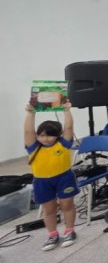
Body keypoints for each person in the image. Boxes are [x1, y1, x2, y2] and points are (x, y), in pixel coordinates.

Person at [24, 102, 78, 251]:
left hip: (64, 178)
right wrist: (30, 113)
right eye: (41, 135)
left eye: (50, 135)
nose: (45, 139)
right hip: (42, 181)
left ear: (58, 135)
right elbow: (28, 131)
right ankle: (52, 235)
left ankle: (69, 231)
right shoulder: (33, 146)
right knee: (49, 210)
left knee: (67, 205)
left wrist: (67, 110)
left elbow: (68, 128)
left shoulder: (63, 144)